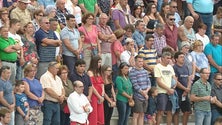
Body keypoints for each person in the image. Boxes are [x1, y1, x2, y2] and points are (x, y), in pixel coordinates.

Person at [154, 52, 177, 125]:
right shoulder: (157, 67)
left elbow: (175, 79)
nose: (169, 60)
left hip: (171, 92)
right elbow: (159, 81)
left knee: (170, 111)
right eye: (167, 58)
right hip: (162, 92)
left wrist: (173, 88)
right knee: (160, 111)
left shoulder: (170, 67)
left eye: (170, 58)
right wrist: (168, 89)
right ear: (162, 58)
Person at [129, 55, 151, 125]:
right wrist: (143, 93)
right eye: (139, 61)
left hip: (145, 95)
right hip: (137, 96)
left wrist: (146, 92)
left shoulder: (145, 71)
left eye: (142, 61)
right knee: (136, 115)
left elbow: (149, 83)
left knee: (142, 114)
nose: (141, 63)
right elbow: (135, 85)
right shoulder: (132, 71)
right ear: (135, 62)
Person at [173, 52, 192, 125]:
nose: (183, 58)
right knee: (176, 112)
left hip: (185, 92)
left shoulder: (186, 66)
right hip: (177, 92)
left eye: (183, 57)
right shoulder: (174, 68)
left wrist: (187, 89)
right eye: (181, 57)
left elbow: (189, 79)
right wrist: (185, 89)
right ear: (176, 59)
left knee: (187, 111)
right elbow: (176, 81)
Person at [87, 56, 104, 125]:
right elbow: (92, 86)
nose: (100, 64)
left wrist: (102, 94)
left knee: (100, 115)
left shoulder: (99, 72)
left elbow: (102, 84)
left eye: (100, 62)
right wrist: (99, 96)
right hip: (94, 96)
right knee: (94, 115)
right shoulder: (90, 72)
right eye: (98, 62)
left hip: (100, 96)